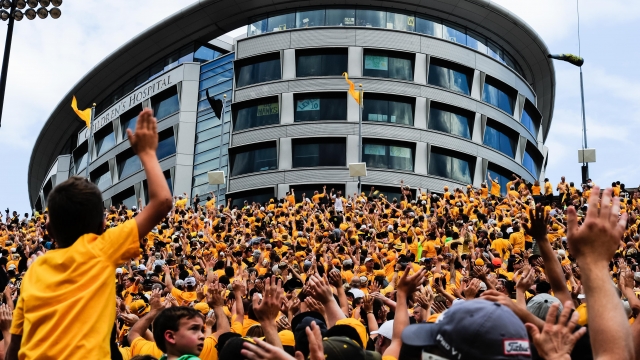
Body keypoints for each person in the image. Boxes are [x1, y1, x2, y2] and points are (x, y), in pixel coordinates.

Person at [6, 109, 172, 360]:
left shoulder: (33, 274)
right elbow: (162, 202)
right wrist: (147, 153)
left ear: (48, 230)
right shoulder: (101, 249)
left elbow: (13, 352)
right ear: (103, 227)